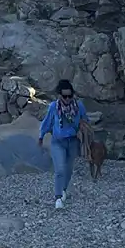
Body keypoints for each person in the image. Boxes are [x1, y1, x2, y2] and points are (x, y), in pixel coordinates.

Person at [39, 78, 89, 209]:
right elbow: (47, 122)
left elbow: (85, 120)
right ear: (59, 95)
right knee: (60, 169)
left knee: (69, 170)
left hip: (73, 141)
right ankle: (58, 197)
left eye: (69, 96)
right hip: (58, 142)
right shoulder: (53, 107)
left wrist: (83, 128)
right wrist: (41, 136)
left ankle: (64, 189)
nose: (67, 99)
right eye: (64, 96)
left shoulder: (79, 106)